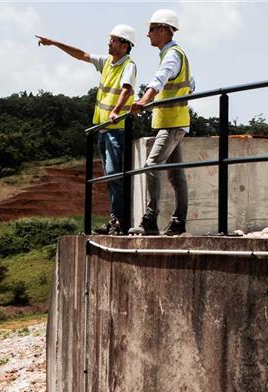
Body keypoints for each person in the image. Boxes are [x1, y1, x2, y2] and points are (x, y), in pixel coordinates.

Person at [37, 25, 137, 235]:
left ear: (125, 45)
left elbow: (127, 90)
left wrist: (115, 111)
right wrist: (53, 43)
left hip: (117, 129)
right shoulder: (107, 62)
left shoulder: (128, 65)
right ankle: (115, 219)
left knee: (114, 176)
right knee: (110, 177)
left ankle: (120, 221)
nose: (109, 42)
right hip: (103, 129)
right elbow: (81, 55)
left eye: (113, 40)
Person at [127, 9, 194, 236]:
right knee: (176, 175)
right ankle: (178, 223)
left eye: (151, 29)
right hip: (174, 122)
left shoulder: (172, 55)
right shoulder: (174, 54)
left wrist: (143, 100)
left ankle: (150, 219)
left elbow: (159, 80)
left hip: (172, 124)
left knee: (151, 165)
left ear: (164, 30)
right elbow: (191, 83)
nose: (148, 34)